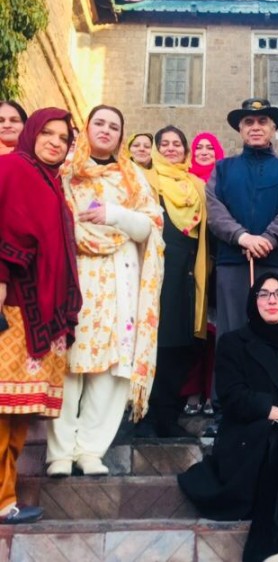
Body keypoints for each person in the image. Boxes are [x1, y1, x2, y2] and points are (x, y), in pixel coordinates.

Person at [178, 273, 278, 562]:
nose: (272, 300)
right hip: (248, 437)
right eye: (264, 294)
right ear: (254, 301)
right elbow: (234, 397)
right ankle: (264, 549)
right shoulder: (234, 343)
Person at [46, 105, 164, 475]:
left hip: (119, 277)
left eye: (114, 126)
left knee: (109, 368)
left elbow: (150, 227)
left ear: (121, 136)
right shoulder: (64, 172)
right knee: (68, 363)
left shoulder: (133, 178)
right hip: (75, 274)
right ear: (86, 128)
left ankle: (91, 450)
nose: (106, 130)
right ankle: (60, 452)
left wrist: (114, 215)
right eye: (99, 123)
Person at [0, 108, 81, 522]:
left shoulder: (50, 181)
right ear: (31, 133)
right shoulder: (11, 168)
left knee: (15, 412)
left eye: (63, 138)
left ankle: (6, 500)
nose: (54, 142)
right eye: (47, 132)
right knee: (2, 409)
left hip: (38, 310)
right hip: (13, 306)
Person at [206, 98, 278, 337]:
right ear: (240, 130)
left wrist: (269, 239)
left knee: (274, 330)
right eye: (249, 122)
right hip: (233, 261)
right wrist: (242, 237)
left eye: (262, 121)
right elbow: (215, 211)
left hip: (274, 260)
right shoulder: (223, 168)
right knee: (233, 331)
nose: (256, 127)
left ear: (273, 128)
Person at [141, 125, 209, 437]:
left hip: (191, 272)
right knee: (157, 343)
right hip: (158, 272)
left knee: (185, 344)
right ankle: (147, 416)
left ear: (185, 150)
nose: (171, 149)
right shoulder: (146, 180)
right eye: (164, 143)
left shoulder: (197, 186)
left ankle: (169, 414)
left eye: (177, 144)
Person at [181, 132, 225, 416]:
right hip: (190, 267)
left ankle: (212, 393)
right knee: (193, 336)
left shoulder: (223, 181)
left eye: (210, 147)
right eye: (199, 148)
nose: (205, 152)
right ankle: (192, 392)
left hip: (219, 268)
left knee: (216, 335)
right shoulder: (184, 182)